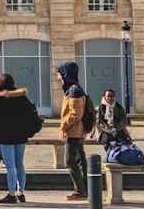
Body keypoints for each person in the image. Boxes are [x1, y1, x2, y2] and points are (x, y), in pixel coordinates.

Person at [0, 73, 39, 204]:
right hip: (20, 136)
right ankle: (21, 193)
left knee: (10, 166)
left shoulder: (0, 99)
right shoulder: (21, 97)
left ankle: (11, 194)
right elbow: (30, 114)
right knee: (20, 164)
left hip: (5, 137)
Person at [56, 62, 88, 201]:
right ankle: (85, 188)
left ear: (66, 74)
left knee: (70, 161)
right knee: (80, 160)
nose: (58, 77)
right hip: (76, 132)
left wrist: (64, 126)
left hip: (73, 132)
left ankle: (80, 190)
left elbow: (76, 114)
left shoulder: (74, 90)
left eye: (59, 73)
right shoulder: (72, 89)